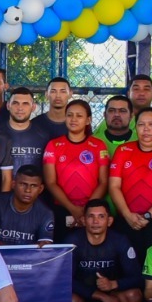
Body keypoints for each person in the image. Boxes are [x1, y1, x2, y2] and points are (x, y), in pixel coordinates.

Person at [66, 200, 143, 302]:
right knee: (68, 300)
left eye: (101, 216)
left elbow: (137, 277)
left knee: (134, 296)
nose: (96, 221)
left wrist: (113, 284)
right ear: (83, 220)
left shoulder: (120, 241)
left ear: (109, 221)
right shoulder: (72, 241)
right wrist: (99, 295)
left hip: (112, 296)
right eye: (91, 216)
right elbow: (63, 279)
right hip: (81, 295)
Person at [109, 107, 152, 258]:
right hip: (127, 220)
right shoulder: (123, 150)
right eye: (141, 125)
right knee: (128, 269)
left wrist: (147, 216)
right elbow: (113, 186)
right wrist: (127, 215)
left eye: (151, 125)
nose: (146, 129)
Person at [43, 99, 110, 238]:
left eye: (79, 116)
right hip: (62, 209)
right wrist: (72, 209)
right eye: (69, 115)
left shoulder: (99, 146)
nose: (73, 119)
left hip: (92, 212)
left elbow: (104, 182)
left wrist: (87, 210)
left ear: (88, 120)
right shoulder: (53, 145)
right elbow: (50, 182)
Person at [0, 165, 55, 246]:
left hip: (29, 258)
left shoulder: (45, 213)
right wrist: (19, 255)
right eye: (23, 184)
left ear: (40, 189)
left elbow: (45, 248)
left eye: (33, 186)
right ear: (13, 184)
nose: (28, 190)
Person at [2, 87, 52, 174]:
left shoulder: (44, 136)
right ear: (8, 106)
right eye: (15, 103)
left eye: (25, 104)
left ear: (33, 107)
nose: (20, 108)